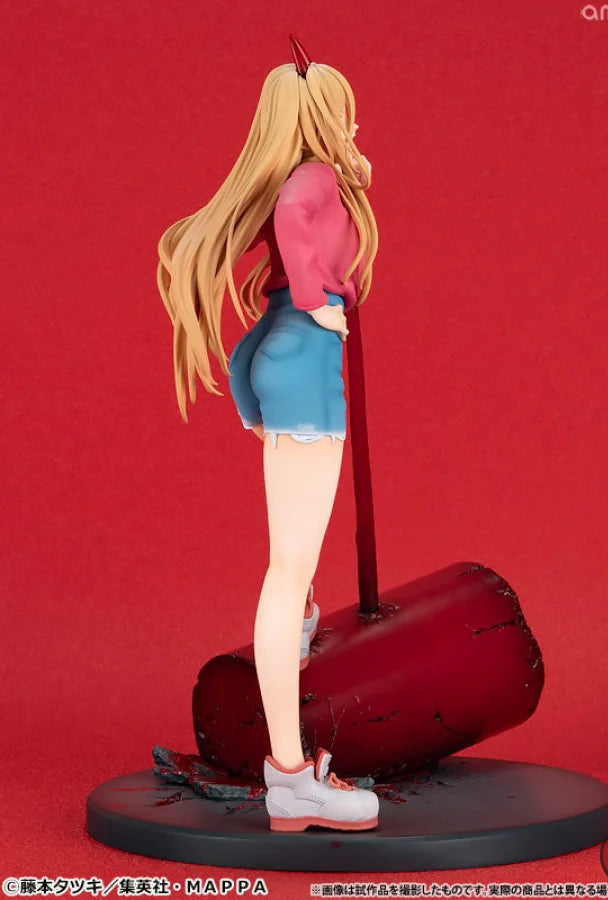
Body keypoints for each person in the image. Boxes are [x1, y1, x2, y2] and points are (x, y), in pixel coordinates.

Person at [156, 34, 379, 832]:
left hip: (273, 355)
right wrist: (321, 302)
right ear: (322, 116)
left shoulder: (315, 176)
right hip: (304, 364)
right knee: (285, 570)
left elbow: (293, 232)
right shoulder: (309, 179)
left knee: (294, 559)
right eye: (344, 115)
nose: (353, 128)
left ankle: (303, 620)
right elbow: (291, 217)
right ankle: (289, 778)